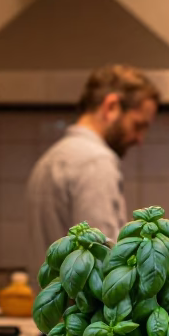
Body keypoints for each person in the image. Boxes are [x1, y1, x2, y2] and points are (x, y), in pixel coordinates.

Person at [27, 65, 159, 257]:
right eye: (138, 125)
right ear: (111, 107)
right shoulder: (96, 162)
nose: (139, 139)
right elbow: (104, 260)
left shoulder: (51, 158)